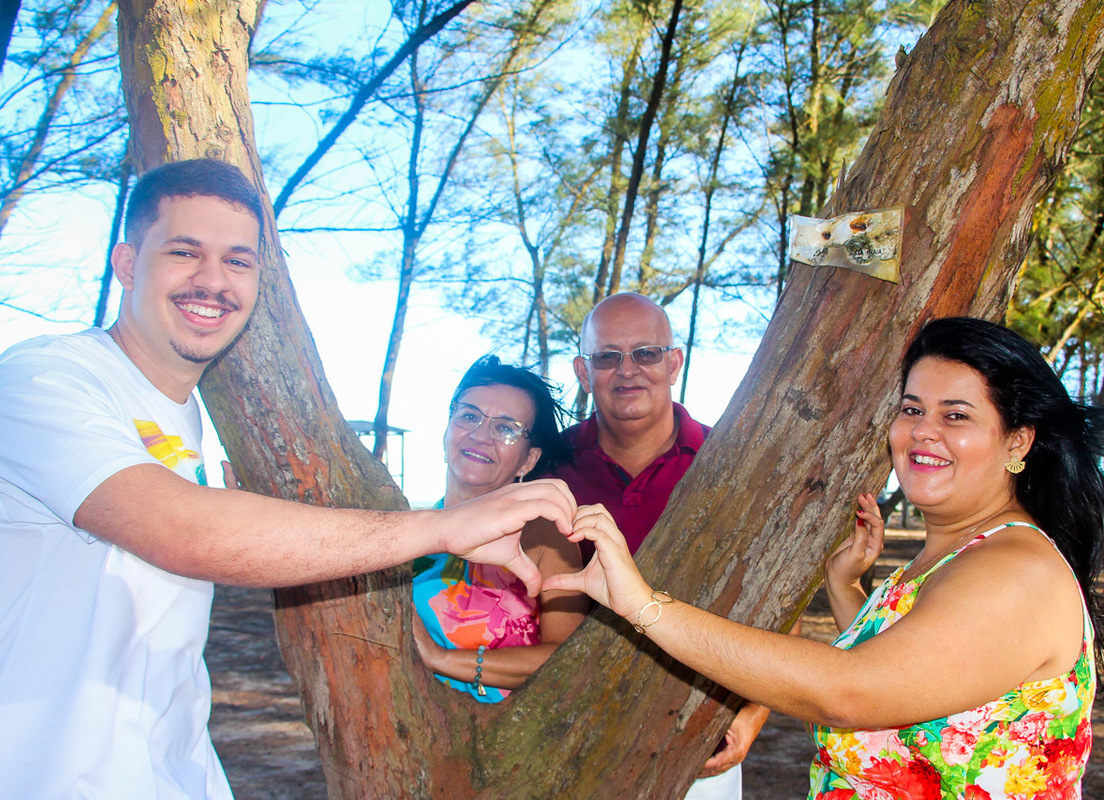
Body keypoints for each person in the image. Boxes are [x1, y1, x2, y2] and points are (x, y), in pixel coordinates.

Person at [0, 159, 576, 799]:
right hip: (25, 778)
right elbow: (179, 529)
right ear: (125, 264)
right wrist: (441, 528)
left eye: (238, 261)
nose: (214, 280)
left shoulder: (195, 417)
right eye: (184, 251)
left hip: (171, 771)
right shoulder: (45, 379)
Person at [551, 317, 1102, 799]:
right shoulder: (957, 556)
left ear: (1017, 442)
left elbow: (850, 692)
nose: (922, 432)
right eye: (912, 409)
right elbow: (922, 690)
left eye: (955, 416)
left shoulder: (1015, 570)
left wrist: (645, 604)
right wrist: (847, 589)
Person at [547, 292, 769, 799]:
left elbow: (778, 588)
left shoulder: (729, 463)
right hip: (566, 736)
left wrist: (752, 714)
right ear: (583, 372)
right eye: (607, 356)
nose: (628, 370)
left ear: (674, 363)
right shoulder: (551, 467)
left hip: (695, 733)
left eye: (645, 353)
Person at [411, 356, 589, 702]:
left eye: (506, 428)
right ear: (448, 428)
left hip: (511, 738)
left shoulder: (546, 540)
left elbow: (566, 659)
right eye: (469, 416)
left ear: (529, 460)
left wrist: (441, 659)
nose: (480, 435)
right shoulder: (410, 532)